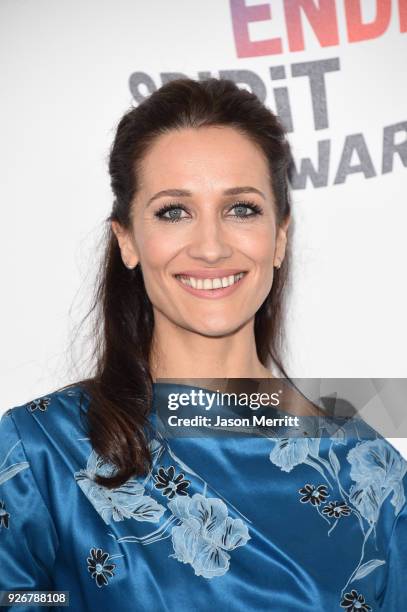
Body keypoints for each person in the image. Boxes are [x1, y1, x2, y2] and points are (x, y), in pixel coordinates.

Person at [0, 78, 406, 612]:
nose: (211, 247)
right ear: (126, 240)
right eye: (174, 211)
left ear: (280, 237)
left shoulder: (369, 472)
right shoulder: (39, 454)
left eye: (241, 209)